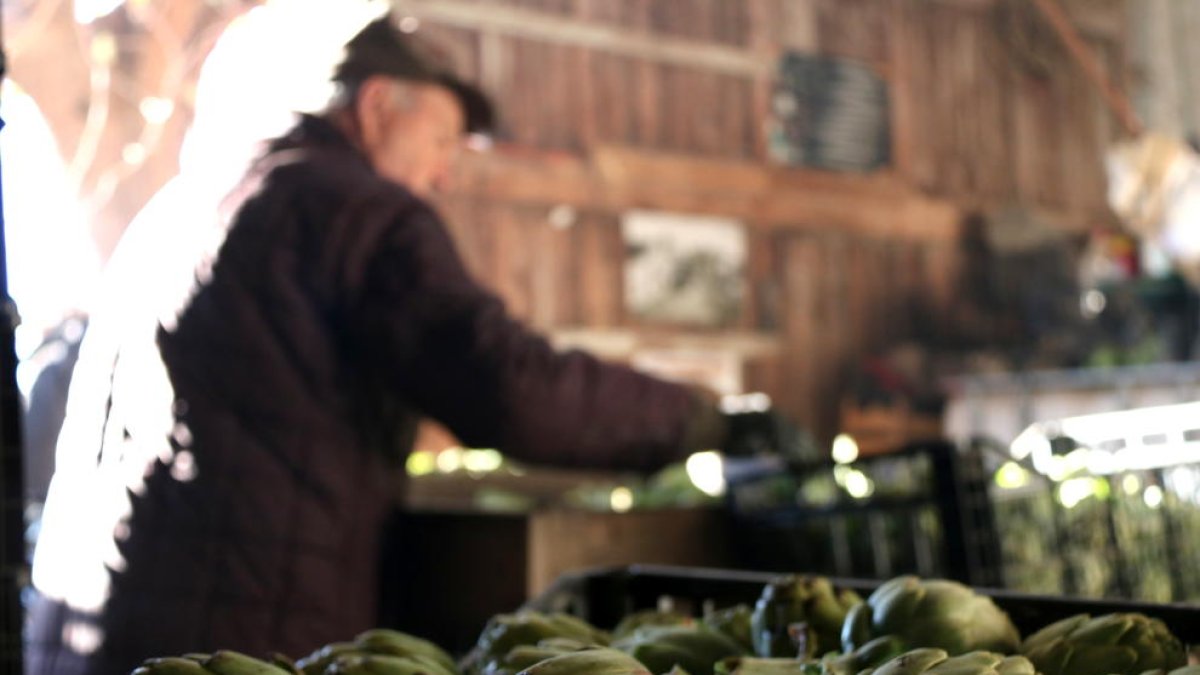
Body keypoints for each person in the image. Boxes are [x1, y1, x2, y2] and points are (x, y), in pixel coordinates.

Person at [25, 13, 773, 674]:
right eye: (442, 138)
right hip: (239, 631)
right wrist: (704, 420)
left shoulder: (191, 201)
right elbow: (508, 384)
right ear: (378, 105)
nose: (444, 174)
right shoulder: (354, 210)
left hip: (92, 622)